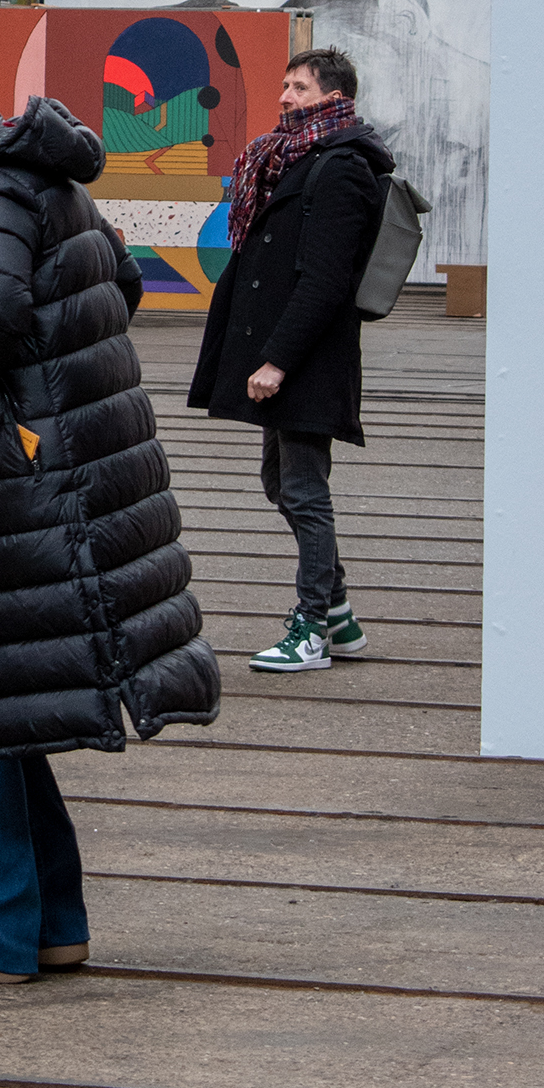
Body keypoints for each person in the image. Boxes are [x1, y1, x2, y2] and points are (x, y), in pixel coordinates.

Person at [0, 39, 218, 985]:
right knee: (1, 701)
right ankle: (50, 918)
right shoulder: (43, 175)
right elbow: (119, 285)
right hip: (46, 471)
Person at [190, 45, 395, 671]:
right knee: (281, 483)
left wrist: (277, 359)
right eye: (284, 84)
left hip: (308, 356)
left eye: (299, 87)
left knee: (303, 489)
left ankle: (311, 630)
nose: (284, 96)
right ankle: (340, 616)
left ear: (334, 98)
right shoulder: (293, 156)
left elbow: (327, 279)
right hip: (286, 348)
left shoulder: (343, 168)